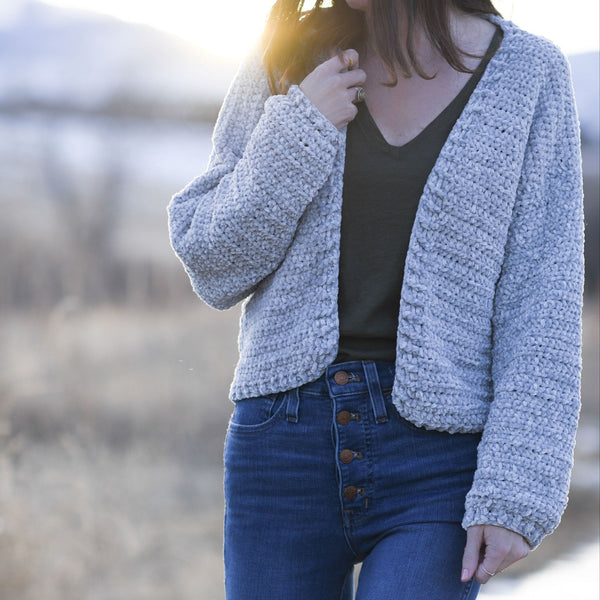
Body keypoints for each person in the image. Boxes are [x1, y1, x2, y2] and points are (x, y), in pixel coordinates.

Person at [168, 0, 585, 598]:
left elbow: (543, 299)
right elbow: (215, 266)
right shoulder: (289, 55)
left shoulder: (528, 74)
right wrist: (301, 128)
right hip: (284, 445)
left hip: (440, 462)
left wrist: (520, 483)